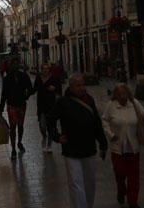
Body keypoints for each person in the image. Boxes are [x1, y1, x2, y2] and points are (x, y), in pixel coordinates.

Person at [48, 73, 108, 208]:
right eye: (78, 85)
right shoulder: (63, 102)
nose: (82, 88)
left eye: (83, 84)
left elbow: (97, 123)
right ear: (71, 86)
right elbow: (50, 120)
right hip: (71, 150)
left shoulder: (89, 100)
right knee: (75, 184)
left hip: (89, 148)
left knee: (90, 182)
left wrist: (103, 143)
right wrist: (56, 137)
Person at [102, 83, 144, 208]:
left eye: (124, 93)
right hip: (117, 146)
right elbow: (104, 120)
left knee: (134, 175)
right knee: (119, 172)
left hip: (133, 146)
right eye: (120, 94)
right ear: (115, 94)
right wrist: (110, 134)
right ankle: (121, 190)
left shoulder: (134, 104)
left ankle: (133, 201)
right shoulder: (111, 106)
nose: (122, 96)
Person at [0, 57, 33, 160]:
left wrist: (26, 96)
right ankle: (13, 148)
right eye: (13, 64)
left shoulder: (24, 76)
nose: (15, 66)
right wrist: (1, 108)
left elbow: (30, 89)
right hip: (11, 106)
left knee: (21, 126)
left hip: (22, 104)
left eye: (16, 64)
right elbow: (4, 94)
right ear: (10, 65)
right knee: (13, 127)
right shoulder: (7, 78)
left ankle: (19, 142)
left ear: (19, 65)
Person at [33, 62, 62, 152]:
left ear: (49, 70)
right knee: (42, 126)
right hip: (41, 105)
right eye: (44, 69)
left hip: (51, 105)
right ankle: (44, 136)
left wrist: (55, 89)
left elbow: (59, 90)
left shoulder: (54, 78)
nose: (45, 70)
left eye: (47, 69)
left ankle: (49, 145)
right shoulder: (38, 78)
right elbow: (34, 89)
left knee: (51, 126)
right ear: (41, 70)